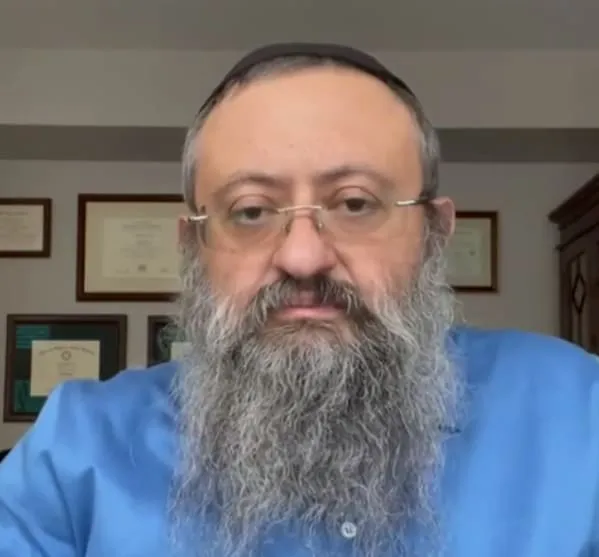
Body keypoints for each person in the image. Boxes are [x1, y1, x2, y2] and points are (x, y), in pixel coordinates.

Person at [0, 43, 598, 557]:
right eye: (251, 211)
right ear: (194, 248)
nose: (303, 257)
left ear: (433, 235)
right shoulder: (77, 452)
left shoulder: (579, 416)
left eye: (356, 203)